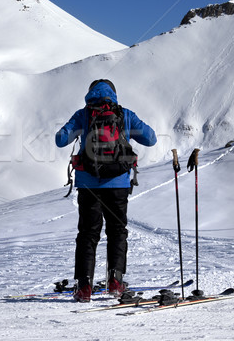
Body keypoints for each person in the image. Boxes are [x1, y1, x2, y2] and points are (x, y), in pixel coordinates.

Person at [55, 79, 157, 302]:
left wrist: (79, 130)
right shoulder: (125, 114)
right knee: (117, 232)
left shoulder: (83, 115)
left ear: (90, 93)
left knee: (88, 235)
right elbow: (151, 139)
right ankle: (116, 283)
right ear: (114, 94)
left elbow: (60, 140)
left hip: (88, 185)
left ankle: (84, 287)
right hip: (118, 184)